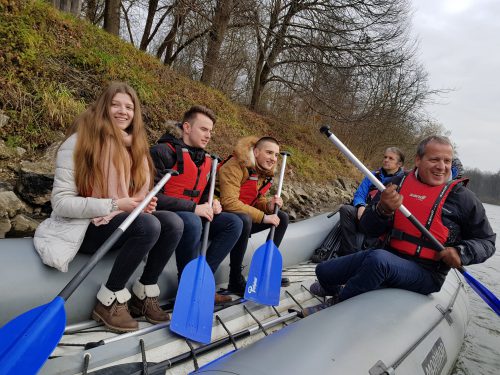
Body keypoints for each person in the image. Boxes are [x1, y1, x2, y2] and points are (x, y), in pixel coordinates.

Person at [34, 82, 184, 332]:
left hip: (114, 220)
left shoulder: (134, 148)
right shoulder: (79, 142)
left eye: (129, 107)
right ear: (103, 107)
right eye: (115, 105)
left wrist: (140, 204)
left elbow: (130, 196)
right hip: (82, 226)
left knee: (173, 222)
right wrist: (117, 204)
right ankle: (109, 299)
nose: (123, 111)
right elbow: (60, 203)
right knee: (147, 225)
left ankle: (144, 294)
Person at [305, 135, 496, 315]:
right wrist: (382, 210)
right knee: (323, 270)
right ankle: (340, 289)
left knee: (379, 261)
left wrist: (462, 252)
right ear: (418, 160)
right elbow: (368, 228)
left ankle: (336, 305)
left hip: (427, 273)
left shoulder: (463, 198)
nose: (442, 167)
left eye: (447, 161)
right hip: (387, 255)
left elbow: (487, 242)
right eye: (434, 160)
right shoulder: (397, 184)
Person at [150, 105, 242, 304]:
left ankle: (201, 282)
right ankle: (188, 286)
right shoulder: (162, 152)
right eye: (203, 129)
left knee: (233, 223)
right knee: (192, 221)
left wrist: (213, 203)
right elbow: (151, 196)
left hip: (191, 213)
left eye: (210, 131)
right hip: (165, 213)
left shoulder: (207, 160)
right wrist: (194, 208)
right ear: (187, 127)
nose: (208, 135)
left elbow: (203, 197)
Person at [218, 136, 290, 296]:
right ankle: (235, 278)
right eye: (269, 153)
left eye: (276, 155)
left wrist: (268, 206)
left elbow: (257, 200)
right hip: (221, 217)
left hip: (242, 218)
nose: (273, 158)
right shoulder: (235, 166)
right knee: (245, 219)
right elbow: (229, 202)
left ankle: (266, 270)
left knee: (282, 217)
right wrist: (264, 217)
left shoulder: (263, 173)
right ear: (256, 152)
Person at [338, 147, 405, 256]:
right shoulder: (372, 175)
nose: (386, 160)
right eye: (385, 157)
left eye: (391, 158)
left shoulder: (402, 181)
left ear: (399, 164)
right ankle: (349, 252)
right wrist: (360, 206)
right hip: (365, 211)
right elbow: (360, 194)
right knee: (346, 209)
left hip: (383, 217)